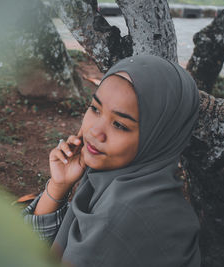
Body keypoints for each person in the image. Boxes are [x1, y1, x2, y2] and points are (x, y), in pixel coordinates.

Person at [22, 55, 201, 266]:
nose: (95, 131)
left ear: (158, 137)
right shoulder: (109, 183)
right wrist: (58, 186)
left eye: (120, 125)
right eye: (95, 109)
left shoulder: (125, 217)